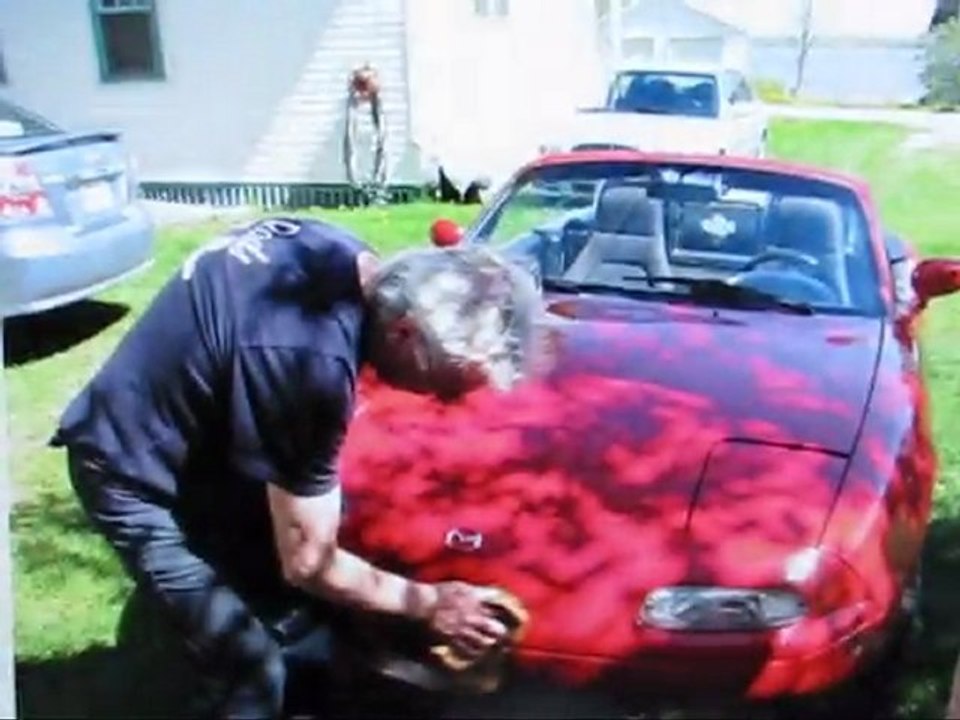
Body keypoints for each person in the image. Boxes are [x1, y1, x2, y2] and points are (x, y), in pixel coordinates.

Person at [50, 216, 542, 718]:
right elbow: (310, 563)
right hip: (132, 476)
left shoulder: (335, 252)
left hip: (204, 450)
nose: (442, 397)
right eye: (445, 381)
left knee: (303, 599)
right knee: (247, 666)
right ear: (404, 331)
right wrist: (432, 604)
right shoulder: (309, 364)